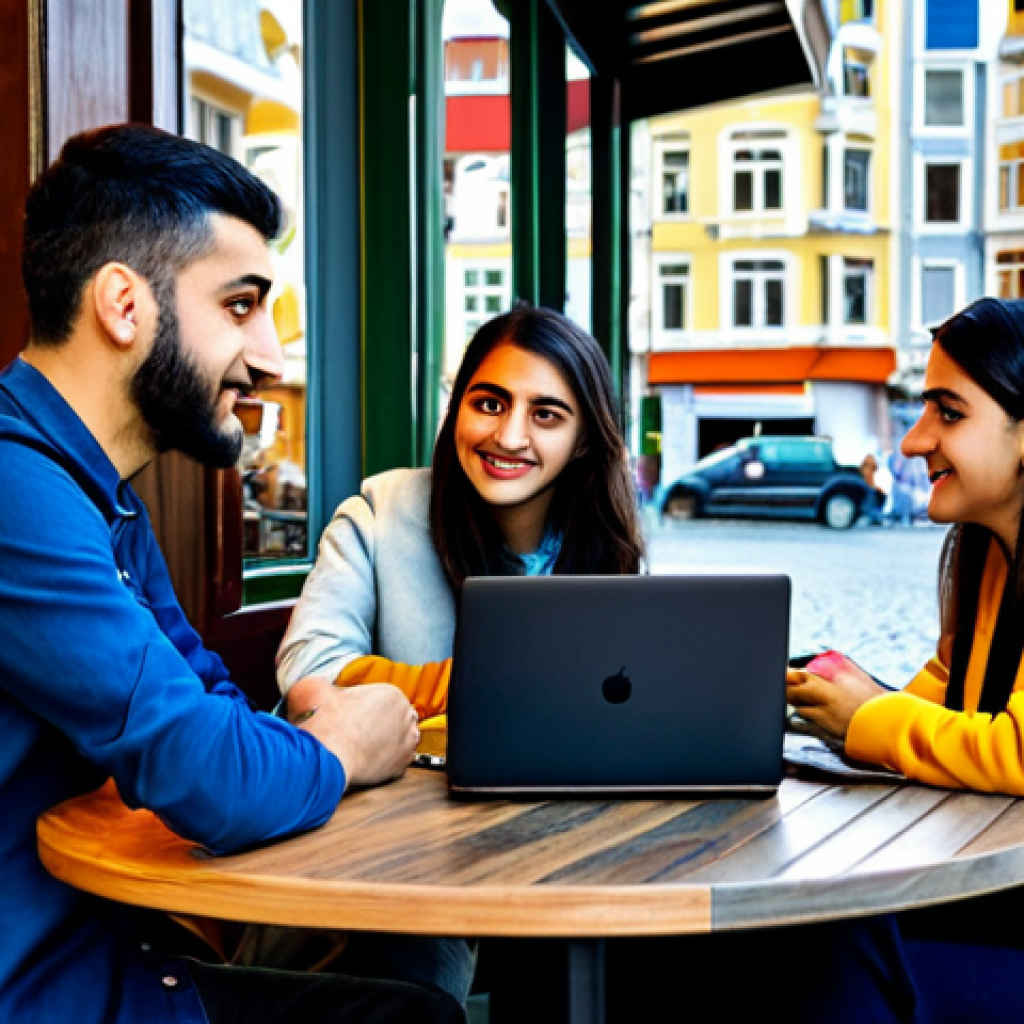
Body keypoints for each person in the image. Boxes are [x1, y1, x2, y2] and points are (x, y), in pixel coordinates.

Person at [0, 124, 462, 1024]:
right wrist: (343, 744)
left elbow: (212, 710)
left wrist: (297, 741)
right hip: (46, 993)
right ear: (124, 305)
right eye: (242, 306)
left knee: (408, 996)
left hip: (113, 955)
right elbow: (211, 771)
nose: (273, 360)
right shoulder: (18, 492)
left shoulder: (99, 497)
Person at [779, 295, 1024, 1022]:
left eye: (948, 413)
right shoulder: (985, 554)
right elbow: (946, 696)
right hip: (993, 896)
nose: (914, 441)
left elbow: (1015, 745)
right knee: (805, 929)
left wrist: (872, 720)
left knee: (835, 948)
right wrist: (839, 702)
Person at [277, 305, 644, 723]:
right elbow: (309, 669)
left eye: (545, 415)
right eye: (489, 404)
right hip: (422, 782)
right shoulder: (376, 518)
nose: (509, 437)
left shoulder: (609, 539)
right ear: (456, 411)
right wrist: (480, 683)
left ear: (583, 441)